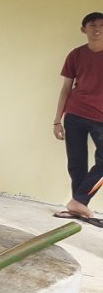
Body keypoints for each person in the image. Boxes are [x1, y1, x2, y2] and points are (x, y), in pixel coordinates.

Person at [52, 11, 103, 225]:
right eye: (92, 25)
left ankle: (78, 201)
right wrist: (57, 120)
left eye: (102, 25)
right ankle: (78, 207)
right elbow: (65, 89)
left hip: (101, 117)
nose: (97, 29)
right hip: (75, 114)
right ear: (84, 29)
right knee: (76, 163)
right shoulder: (76, 55)